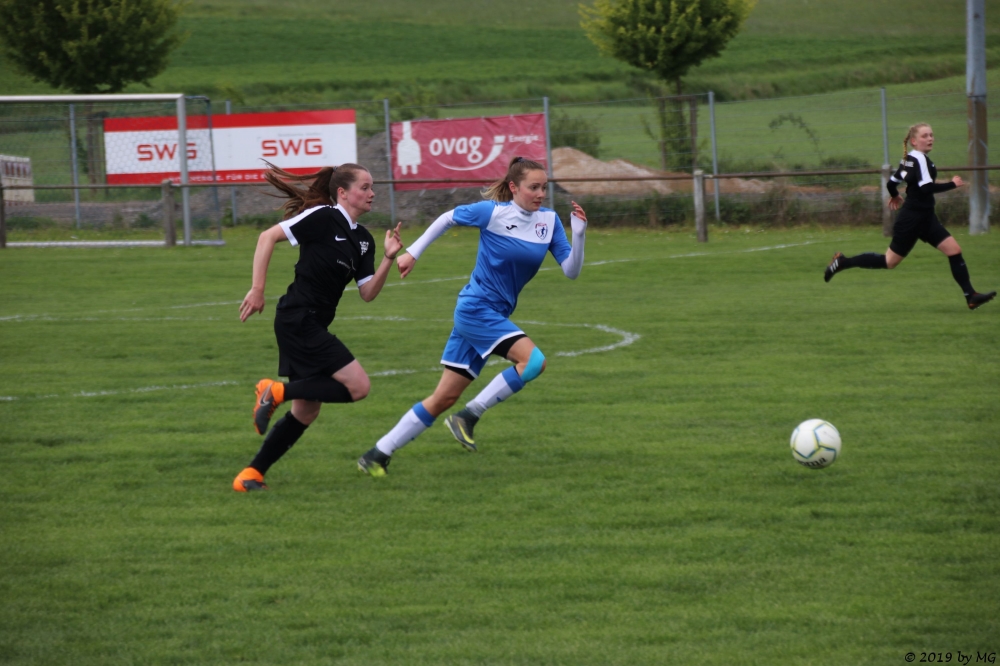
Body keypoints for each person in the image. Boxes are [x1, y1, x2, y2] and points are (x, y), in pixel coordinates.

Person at [356, 156, 588, 477]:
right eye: (533, 187)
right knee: (533, 362)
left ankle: (376, 454)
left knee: (443, 398)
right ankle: (469, 415)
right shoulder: (493, 213)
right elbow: (447, 218)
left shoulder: (548, 221)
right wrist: (413, 253)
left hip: (490, 314)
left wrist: (579, 234)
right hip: (476, 309)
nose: (540, 194)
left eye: (543, 188)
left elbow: (571, 270)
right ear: (513, 187)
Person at [232, 163, 403, 492]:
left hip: (309, 322)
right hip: (298, 319)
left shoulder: (364, 240)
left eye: (372, 187)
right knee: (359, 387)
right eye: (365, 187)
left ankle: (250, 475)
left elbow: (368, 293)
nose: (372, 193)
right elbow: (267, 237)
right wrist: (257, 289)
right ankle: (275, 391)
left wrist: (388, 258)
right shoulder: (324, 217)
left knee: (306, 412)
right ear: (343, 193)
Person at [824, 123, 995, 310]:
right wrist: (952, 184)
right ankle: (843, 262)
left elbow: (892, 183)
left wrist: (895, 195)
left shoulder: (909, 159)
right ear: (914, 141)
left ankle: (971, 296)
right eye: (924, 136)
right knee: (889, 262)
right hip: (912, 220)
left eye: (931, 135)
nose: (930, 138)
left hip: (926, 218)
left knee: (954, 250)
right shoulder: (919, 159)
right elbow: (926, 188)